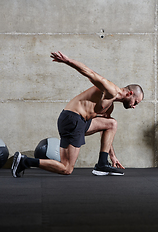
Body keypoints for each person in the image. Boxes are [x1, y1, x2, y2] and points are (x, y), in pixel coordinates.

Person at [11, 51, 144, 177]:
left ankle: (102, 163)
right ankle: (25, 161)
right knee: (67, 168)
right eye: (135, 102)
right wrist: (67, 61)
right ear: (130, 93)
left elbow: (105, 133)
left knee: (111, 124)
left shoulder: (110, 106)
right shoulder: (111, 90)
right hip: (72, 119)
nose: (134, 106)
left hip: (79, 122)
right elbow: (89, 73)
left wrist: (112, 156)